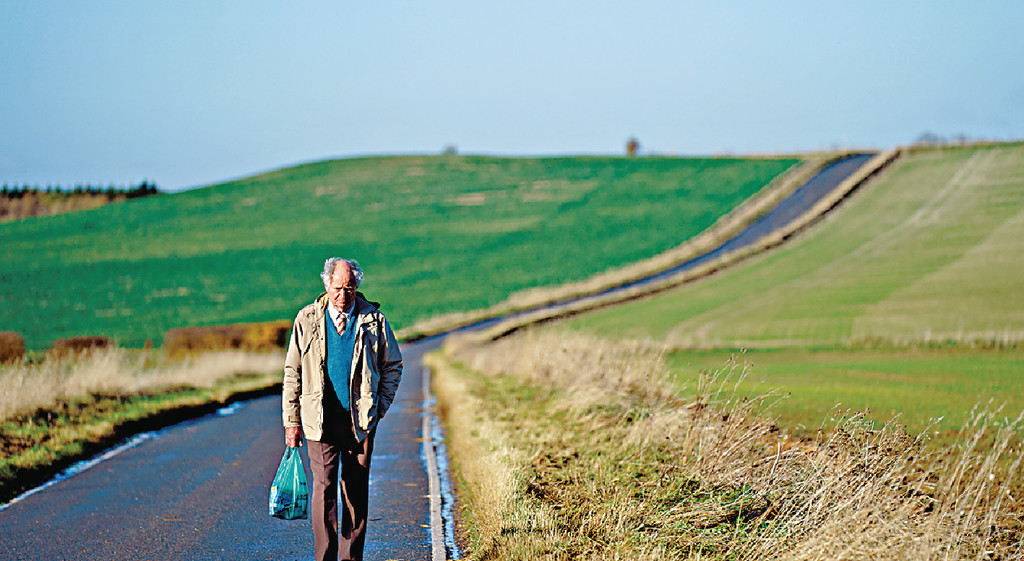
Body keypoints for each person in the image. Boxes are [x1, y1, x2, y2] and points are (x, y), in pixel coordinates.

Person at [282, 257, 403, 561]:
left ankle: (351, 558)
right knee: (323, 490)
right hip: (319, 421)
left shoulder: (374, 321)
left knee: (355, 493)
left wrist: (378, 408)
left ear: (356, 286)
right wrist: (291, 421)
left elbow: (393, 365)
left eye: (349, 287)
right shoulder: (307, 318)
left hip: (358, 422)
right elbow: (293, 372)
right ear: (326, 284)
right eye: (337, 287)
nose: (343, 294)